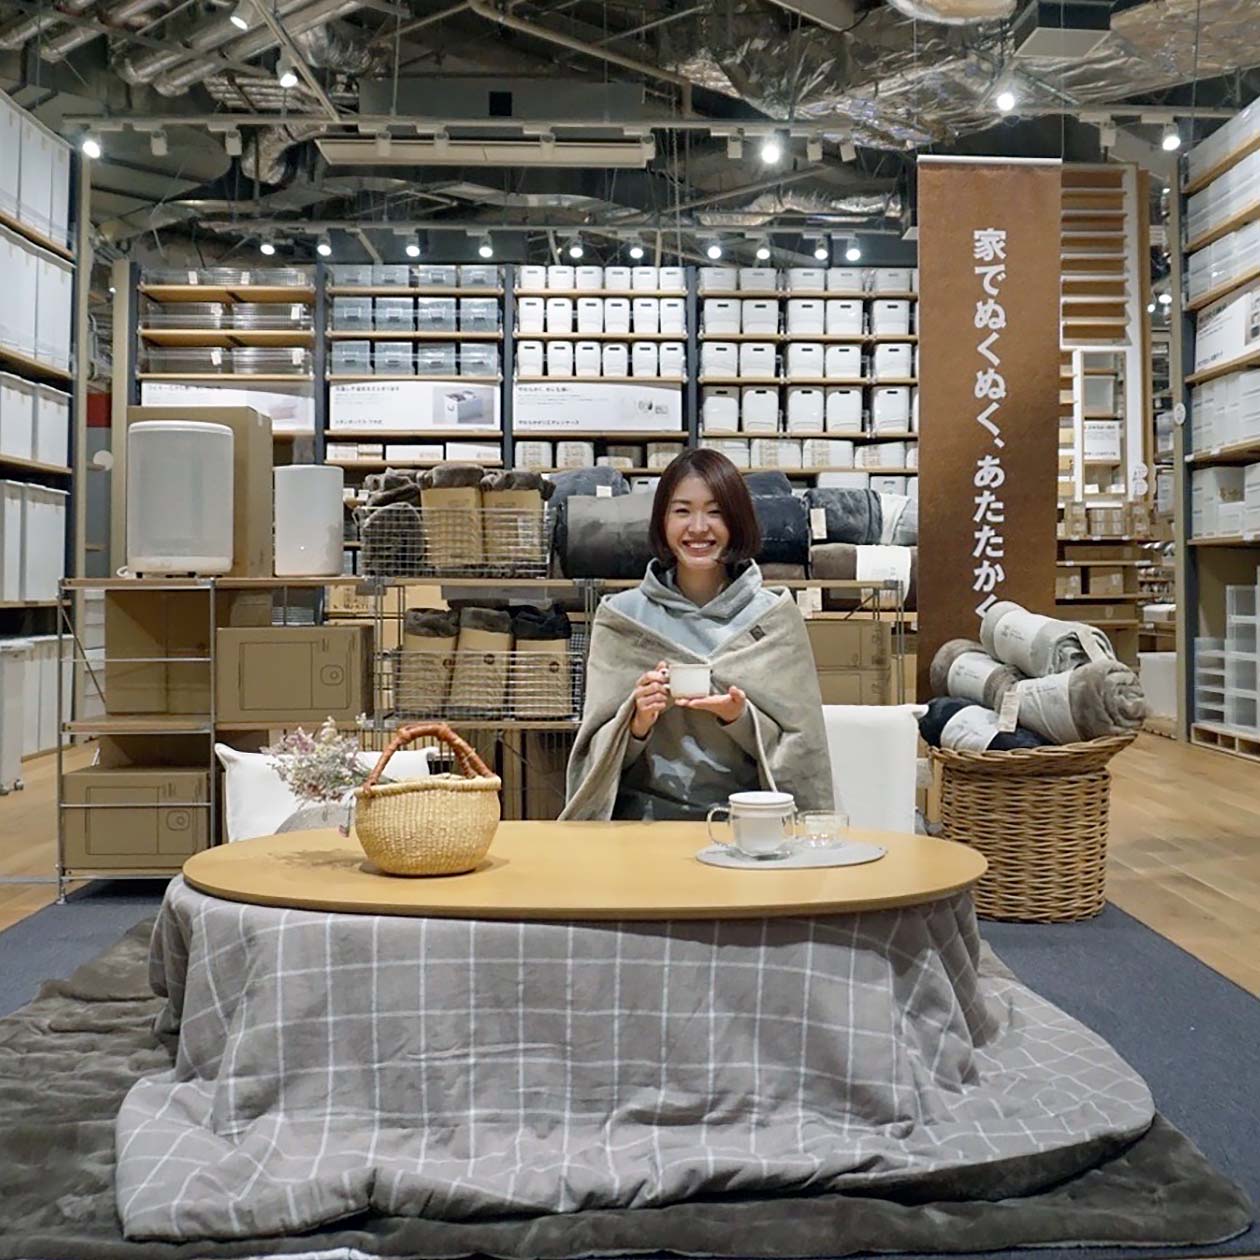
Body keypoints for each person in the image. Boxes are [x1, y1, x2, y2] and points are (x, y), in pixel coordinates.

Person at [561, 448, 833, 822]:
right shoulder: (623, 618)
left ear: (737, 520)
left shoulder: (773, 618)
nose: (699, 527)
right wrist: (636, 722)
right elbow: (591, 755)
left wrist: (739, 717)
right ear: (662, 520)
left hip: (747, 823)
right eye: (682, 511)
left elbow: (803, 746)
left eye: (716, 511)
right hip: (642, 825)